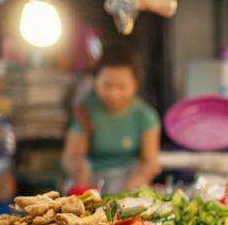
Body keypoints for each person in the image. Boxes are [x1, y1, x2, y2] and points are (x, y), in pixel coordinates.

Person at [62, 44, 160, 195]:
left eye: (122, 87)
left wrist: (127, 195)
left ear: (136, 85)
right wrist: (81, 176)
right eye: (107, 86)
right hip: (91, 180)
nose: (114, 94)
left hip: (129, 181)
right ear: (95, 82)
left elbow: (150, 163)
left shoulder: (146, 116)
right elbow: (71, 156)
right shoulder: (84, 111)